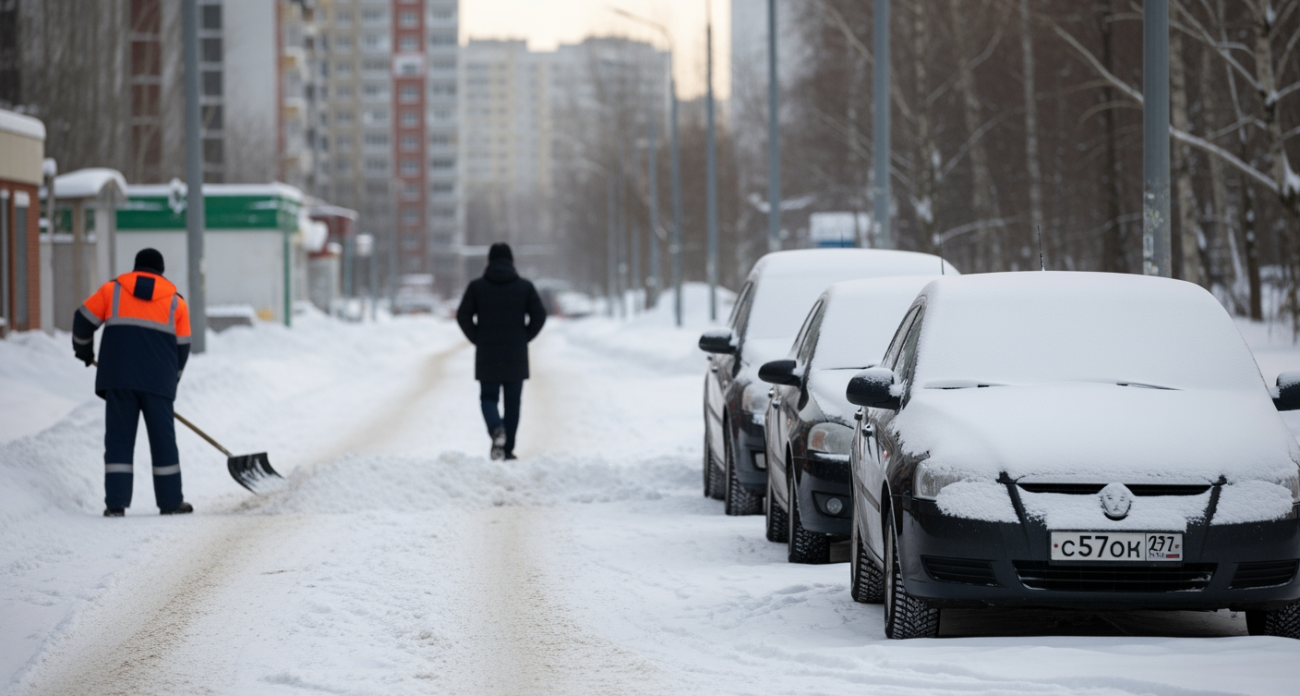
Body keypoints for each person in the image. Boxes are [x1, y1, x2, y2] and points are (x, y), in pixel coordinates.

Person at [72, 248, 193, 517]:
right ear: (161, 272)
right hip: (158, 384)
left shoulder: (112, 291)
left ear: (136, 267)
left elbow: (82, 319)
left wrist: (84, 350)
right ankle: (171, 502)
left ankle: (116, 504)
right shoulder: (176, 303)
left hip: (119, 379)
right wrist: (171, 382)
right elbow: (183, 348)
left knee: (119, 439)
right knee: (163, 442)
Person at [456, 243, 546, 460]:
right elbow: (540, 315)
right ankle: (507, 449)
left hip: (488, 355)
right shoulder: (524, 287)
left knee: (488, 398)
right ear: (511, 261)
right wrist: (524, 337)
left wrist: (478, 338)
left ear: (489, 261)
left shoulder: (477, 287)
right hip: (516, 356)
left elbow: (462, 315)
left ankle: (496, 429)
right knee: (513, 404)